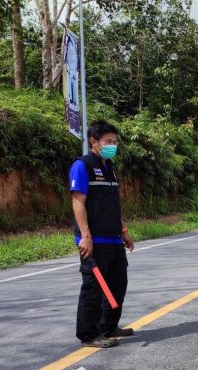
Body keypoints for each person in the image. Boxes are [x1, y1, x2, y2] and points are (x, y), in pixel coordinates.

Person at [70, 120, 135, 348]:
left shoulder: (109, 167)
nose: (113, 145)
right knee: (94, 288)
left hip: (113, 239)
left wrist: (123, 231)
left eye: (115, 142)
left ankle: (108, 327)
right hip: (93, 241)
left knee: (118, 284)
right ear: (93, 141)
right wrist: (85, 236)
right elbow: (78, 202)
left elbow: (111, 205)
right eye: (108, 141)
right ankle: (88, 335)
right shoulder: (82, 165)